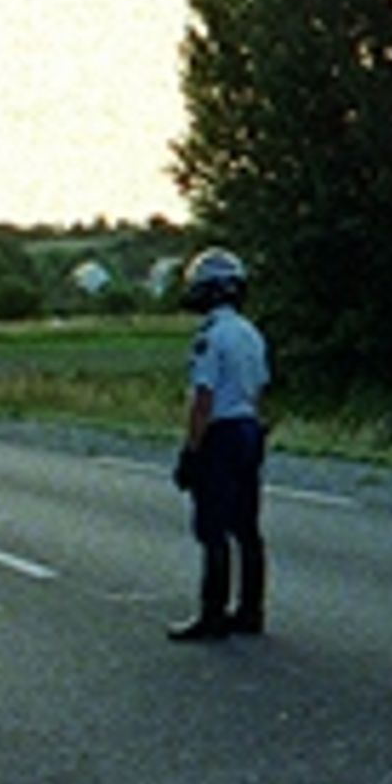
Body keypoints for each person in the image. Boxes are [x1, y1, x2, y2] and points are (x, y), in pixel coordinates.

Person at [168, 247, 271, 642]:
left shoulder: (211, 337)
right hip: (249, 428)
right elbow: (259, 389)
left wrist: (192, 451)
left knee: (213, 527)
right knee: (247, 527)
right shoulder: (250, 333)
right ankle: (250, 611)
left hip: (221, 434)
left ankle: (212, 615)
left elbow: (203, 400)